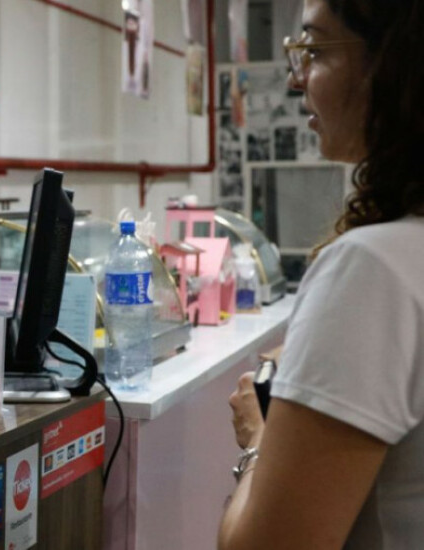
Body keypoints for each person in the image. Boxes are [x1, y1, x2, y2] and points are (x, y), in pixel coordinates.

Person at [220, 1, 424, 548]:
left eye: (314, 49)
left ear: (393, 64)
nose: (296, 79)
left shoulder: (372, 268)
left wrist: (258, 440)